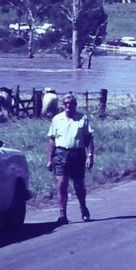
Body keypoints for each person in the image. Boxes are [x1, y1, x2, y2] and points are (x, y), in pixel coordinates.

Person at [47, 93, 94, 224]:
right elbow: (52, 139)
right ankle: (62, 214)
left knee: (78, 185)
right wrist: (50, 159)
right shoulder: (57, 119)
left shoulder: (82, 119)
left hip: (78, 155)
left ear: (75, 105)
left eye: (71, 104)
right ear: (63, 105)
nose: (68, 106)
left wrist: (90, 156)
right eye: (66, 103)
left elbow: (89, 138)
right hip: (61, 154)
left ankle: (83, 208)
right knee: (61, 184)